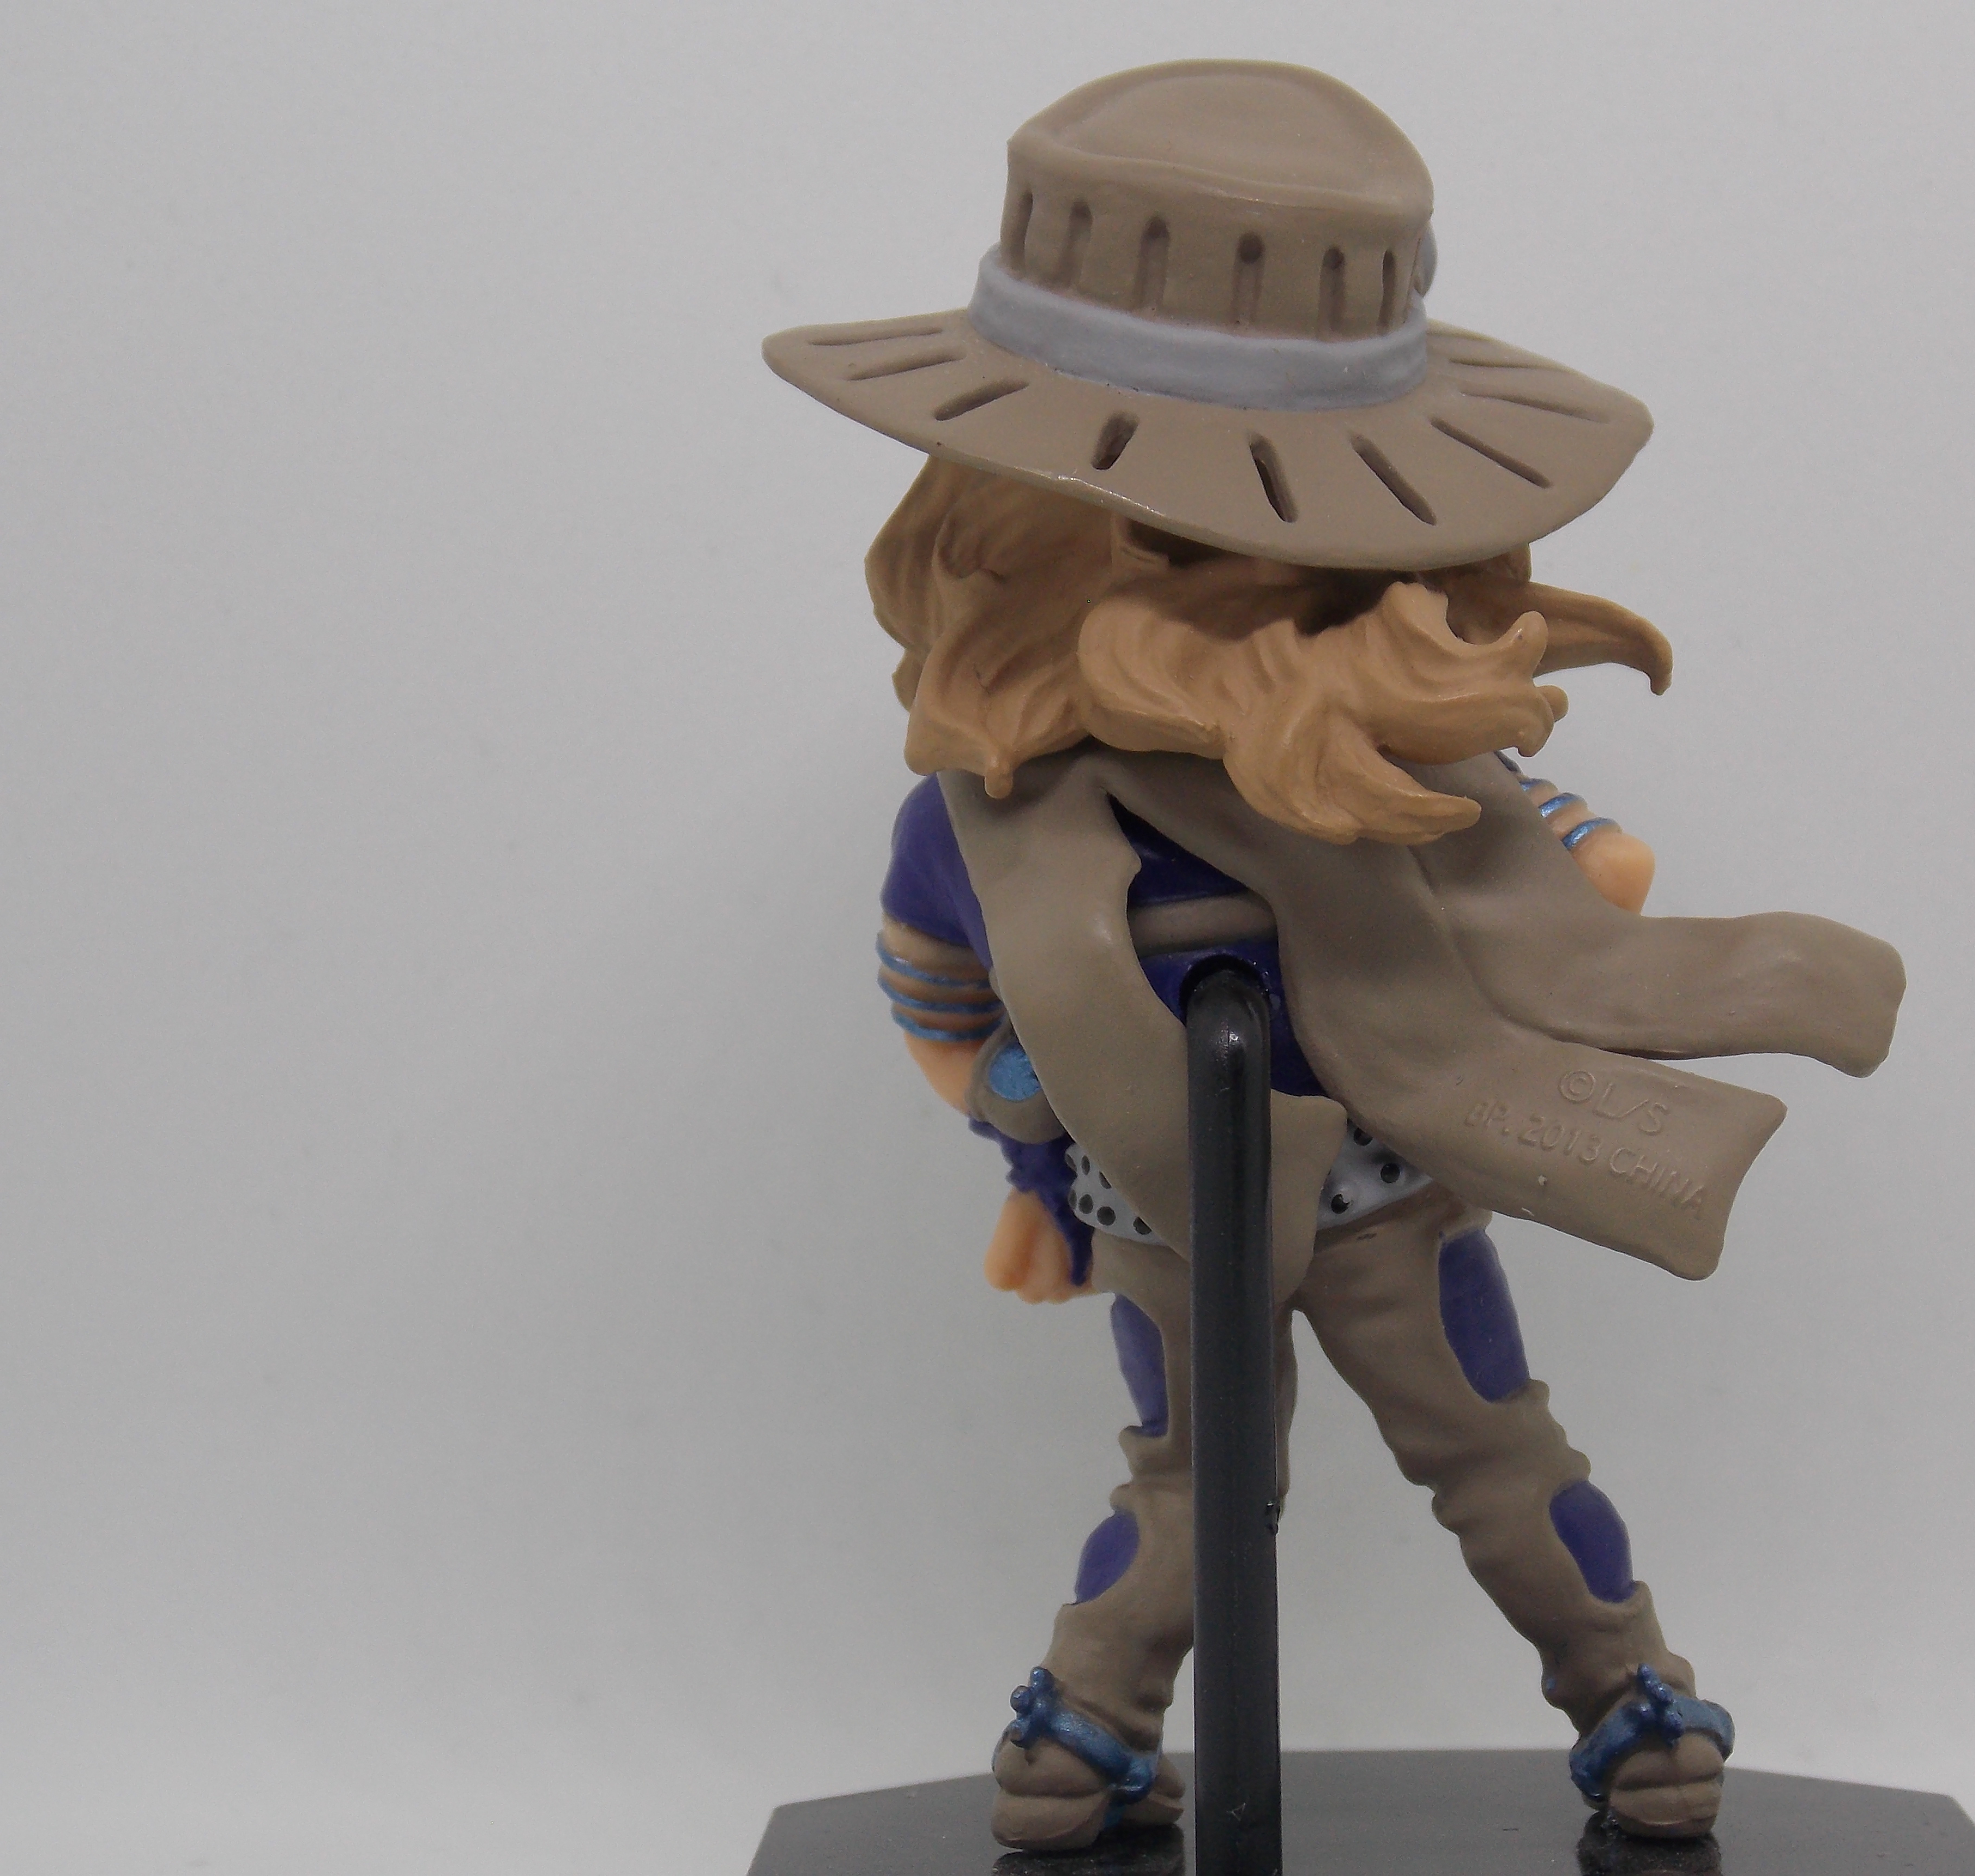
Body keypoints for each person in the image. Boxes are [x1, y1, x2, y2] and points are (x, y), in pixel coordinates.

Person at [764, 60, 1904, 1853]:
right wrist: (1025, 1123)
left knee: (1490, 1450)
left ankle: (1627, 1694)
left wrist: (1553, 893)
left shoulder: (1400, 755)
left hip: (1392, 1184)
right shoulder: (982, 816)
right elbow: (934, 990)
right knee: (1197, 1481)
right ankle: (1087, 1728)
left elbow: (1552, 847)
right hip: (1162, 1213)